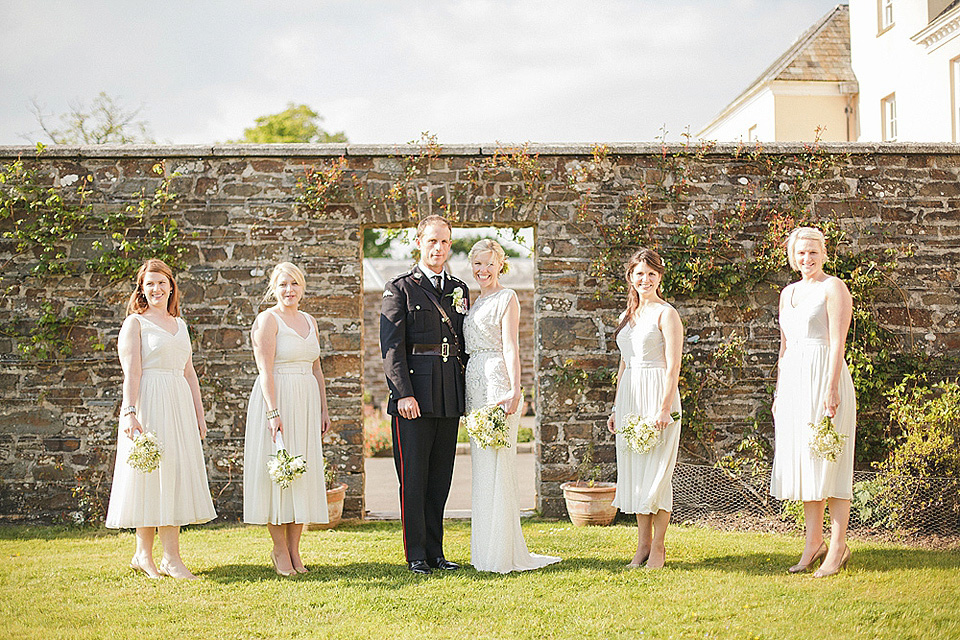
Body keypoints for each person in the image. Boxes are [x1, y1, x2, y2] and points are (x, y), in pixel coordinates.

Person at [105, 259, 217, 579]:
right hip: (149, 403)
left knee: (174, 476)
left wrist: (199, 414)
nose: (156, 288)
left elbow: (189, 372)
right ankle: (145, 554)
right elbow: (133, 373)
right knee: (149, 476)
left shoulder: (180, 325)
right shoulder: (135, 324)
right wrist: (129, 412)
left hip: (179, 403)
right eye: (149, 283)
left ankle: (170, 557)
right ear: (142, 288)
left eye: (161, 282)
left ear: (171, 286)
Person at [464, 239, 561, 573]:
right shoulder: (473, 301)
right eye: (477, 264)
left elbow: (511, 346)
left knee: (499, 463)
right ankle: (484, 551)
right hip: (473, 383)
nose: (483, 270)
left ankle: (502, 552)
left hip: (497, 382)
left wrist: (515, 390)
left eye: (489, 264)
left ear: (500, 264)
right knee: (482, 464)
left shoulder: (508, 297)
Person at [380, 215, 469, 575]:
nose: (438, 248)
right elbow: (391, 347)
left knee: (439, 480)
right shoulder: (400, 287)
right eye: (432, 241)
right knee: (413, 479)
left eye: (444, 242)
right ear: (419, 242)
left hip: (448, 393)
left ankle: (436, 552)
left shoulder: (459, 287)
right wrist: (402, 393)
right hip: (413, 396)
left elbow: (464, 341)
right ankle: (415, 554)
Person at [771, 227, 856, 578]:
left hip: (825, 378)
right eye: (800, 253)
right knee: (806, 464)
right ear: (792, 256)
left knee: (830, 461)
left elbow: (838, 341)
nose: (806, 259)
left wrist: (832, 387)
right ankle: (812, 543)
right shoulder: (788, 293)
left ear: (824, 253)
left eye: (813, 252)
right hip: (794, 383)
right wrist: (779, 391)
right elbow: (784, 346)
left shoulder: (832, 287)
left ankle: (837, 547)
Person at [243, 262, 332, 577]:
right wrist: (273, 411)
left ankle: (296, 550)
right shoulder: (268, 320)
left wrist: (323, 409)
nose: (289, 290)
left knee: (302, 473)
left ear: (302, 286)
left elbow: (317, 369)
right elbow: (265, 369)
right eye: (283, 285)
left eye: (294, 284)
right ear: (274, 288)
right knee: (279, 473)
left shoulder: (310, 321)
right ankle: (279, 549)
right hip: (278, 402)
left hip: (306, 403)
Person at [606, 248, 683, 570]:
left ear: (660, 277)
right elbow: (624, 363)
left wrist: (664, 409)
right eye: (640, 273)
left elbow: (674, 364)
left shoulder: (667, 314)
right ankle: (642, 546)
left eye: (652, 273)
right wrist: (614, 408)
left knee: (657, 475)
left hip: (657, 395)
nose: (645, 279)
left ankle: (660, 547)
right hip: (630, 398)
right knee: (637, 475)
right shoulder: (628, 316)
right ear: (631, 277)